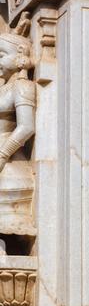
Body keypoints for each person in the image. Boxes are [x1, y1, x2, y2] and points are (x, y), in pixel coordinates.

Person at [0, 12, 36, 236]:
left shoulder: (22, 87)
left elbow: (26, 127)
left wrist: (3, 155)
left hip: (9, 161)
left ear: (20, 57)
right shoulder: (5, 86)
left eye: (2, 55)